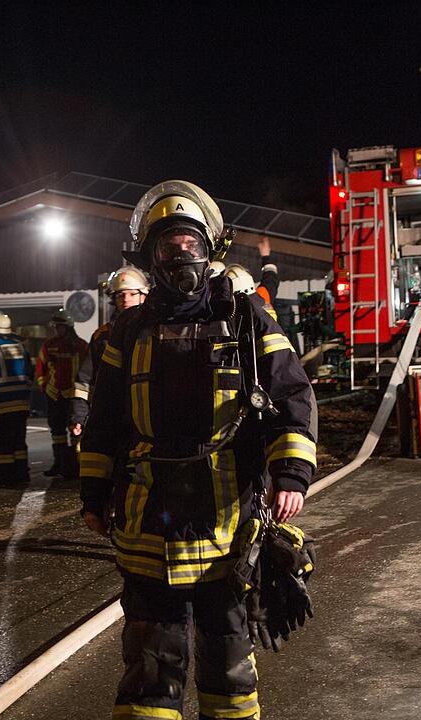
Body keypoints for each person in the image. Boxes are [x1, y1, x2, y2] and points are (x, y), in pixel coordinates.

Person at [79, 180, 318, 720]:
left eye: (190, 243)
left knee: (229, 656)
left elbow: (290, 394)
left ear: (210, 249)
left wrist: (291, 473)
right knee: (150, 660)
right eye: (169, 246)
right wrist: (93, 491)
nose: (181, 255)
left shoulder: (245, 317)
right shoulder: (127, 331)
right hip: (148, 522)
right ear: (150, 257)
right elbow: (104, 419)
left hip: (228, 524)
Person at [70, 265, 149, 435]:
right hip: (113, 416)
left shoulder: (155, 332)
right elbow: (85, 380)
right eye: (120, 295)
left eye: (132, 294)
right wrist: (79, 416)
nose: (126, 299)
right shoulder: (102, 336)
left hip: (148, 416)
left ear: (144, 296)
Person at [0, 312, 33, 487]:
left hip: (2, 403)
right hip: (21, 402)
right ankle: (22, 474)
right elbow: (30, 373)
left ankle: (4, 476)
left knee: (4, 443)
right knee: (19, 442)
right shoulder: (20, 346)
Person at [35, 313, 87, 478]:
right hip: (54, 395)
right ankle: (59, 463)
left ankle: (76, 465)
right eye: (56, 327)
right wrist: (44, 385)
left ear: (68, 327)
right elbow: (41, 366)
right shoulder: (49, 345)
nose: (57, 330)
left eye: (60, 327)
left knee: (76, 431)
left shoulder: (81, 346)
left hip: (73, 396)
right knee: (57, 433)